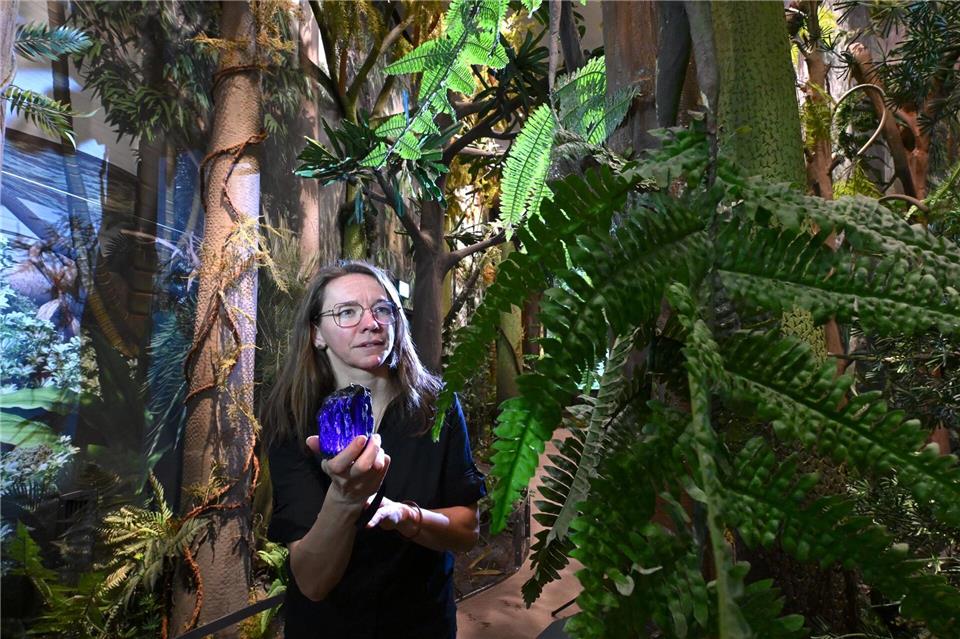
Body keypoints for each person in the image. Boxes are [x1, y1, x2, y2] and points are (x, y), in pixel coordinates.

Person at [262, 261, 486, 639]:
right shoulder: (293, 418)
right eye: (347, 312)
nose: (371, 323)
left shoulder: (438, 406)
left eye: (382, 309)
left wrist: (405, 517)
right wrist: (346, 498)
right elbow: (313, 583)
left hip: (420, 623)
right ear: (317, 333)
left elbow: (467, 530)